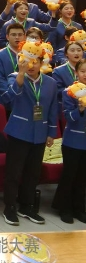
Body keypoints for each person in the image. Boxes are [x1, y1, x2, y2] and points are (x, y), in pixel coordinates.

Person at [1, 49, 59, 226]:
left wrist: (51, 132)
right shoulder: (15, 77)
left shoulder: (50, 82)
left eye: (35, 61)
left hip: (40, 133)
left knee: (33, 173)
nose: (31, 65)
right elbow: (8, 98)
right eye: (27, 61)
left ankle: (26, 206)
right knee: (13, 172)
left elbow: (53, 108)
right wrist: (21, 73)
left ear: (42, 62)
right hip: (19, 131)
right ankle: (9, 207)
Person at [54, 59, 86, 224]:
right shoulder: (70, 92)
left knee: (83, 177)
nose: (85, 75)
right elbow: (68, 117)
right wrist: (79, 109)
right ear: (76, 73)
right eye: (83, 71)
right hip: (73, 140)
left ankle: (79, 208)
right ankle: (64, 208)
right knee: (70, 175)